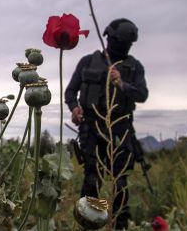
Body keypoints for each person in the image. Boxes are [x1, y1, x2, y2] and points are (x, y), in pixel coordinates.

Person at [65, 18, 148, 229]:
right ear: (108, 38)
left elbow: (142, 94)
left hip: (120, 129)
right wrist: (74, 108)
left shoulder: (134, 67)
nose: (119, 45)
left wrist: (121, 83)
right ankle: (89, 224)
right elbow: (70, 92)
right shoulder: (88, 61)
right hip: (91, 128)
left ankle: (118, 225)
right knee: (93, 180)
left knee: (119, 183)